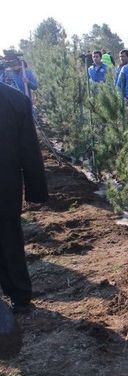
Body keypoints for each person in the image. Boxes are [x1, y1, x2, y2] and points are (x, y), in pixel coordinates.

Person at [0, 83, 48, 315]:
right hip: (6, 185)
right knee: (9, 238)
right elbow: (29, 150)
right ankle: (19, 295)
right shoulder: (15, 99)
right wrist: (36, 191)